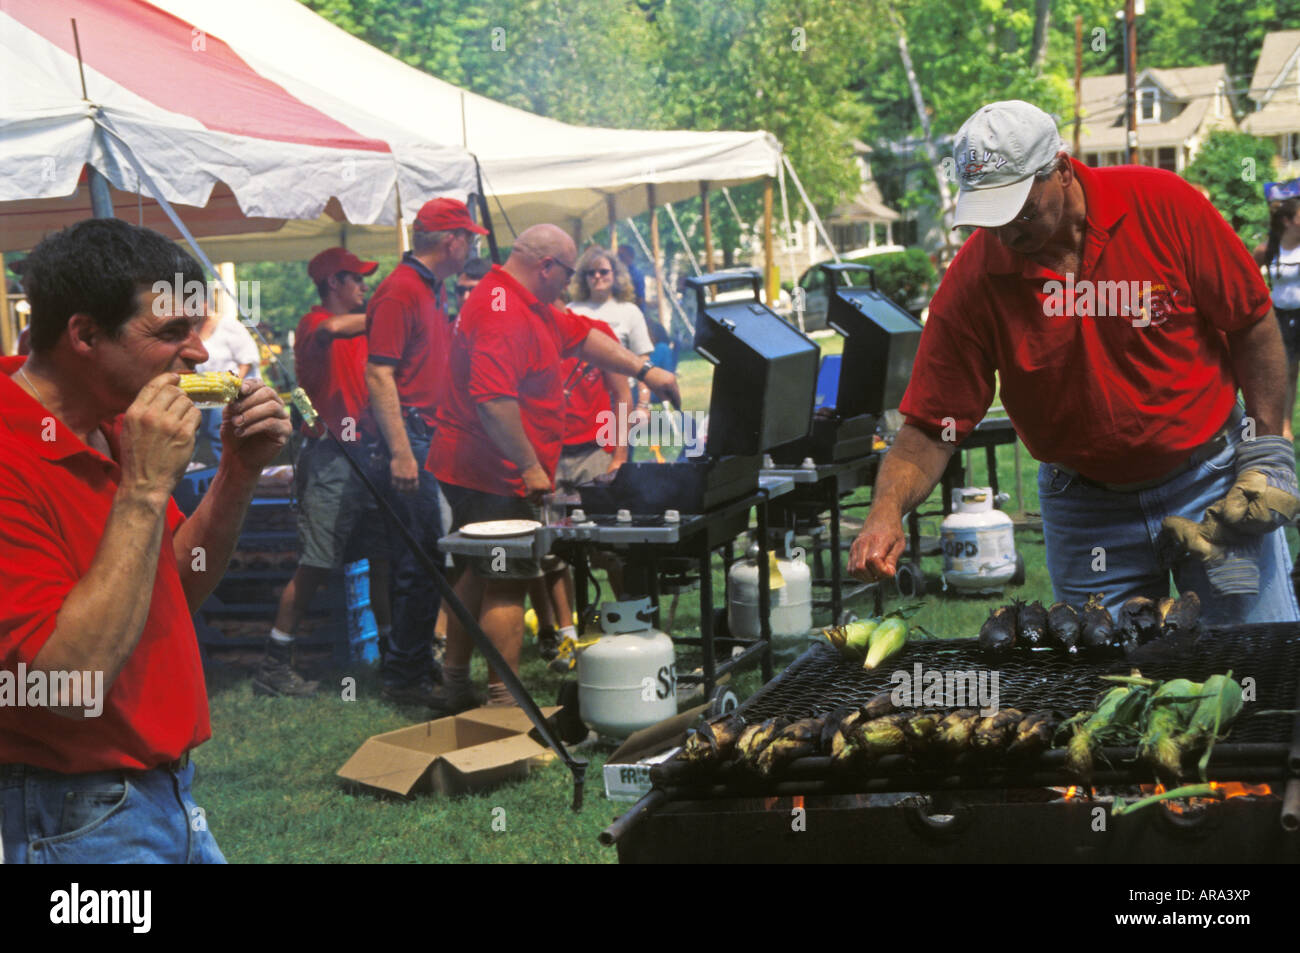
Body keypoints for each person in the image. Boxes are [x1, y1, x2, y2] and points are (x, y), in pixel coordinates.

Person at [848, 100, 1300, 626]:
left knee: (1252, 664)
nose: (1005, 234)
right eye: (988, 217)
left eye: (1019, 211)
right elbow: (931, 425)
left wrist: (1268, 450)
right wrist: (885, 510)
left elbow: (1249, 320)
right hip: (1087, 510)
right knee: (1112, 685)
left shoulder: (1164, 204)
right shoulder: (973, 283)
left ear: (1060, 171)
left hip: (1209, 480)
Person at [0, 218, 292, 863]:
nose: (197, 354)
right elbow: (66, 686)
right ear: (84, 333)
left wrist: (237, 475)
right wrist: (143, 489)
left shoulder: (112, 422)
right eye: (169, 333)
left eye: (196, 330)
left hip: (163, 792)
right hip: (69, 812)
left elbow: (178, 585)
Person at [430, 224, 680, 713]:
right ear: (547, 266)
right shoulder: (502, 309)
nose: (571, 284)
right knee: (506, 574)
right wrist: (529, 466)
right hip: (489, 467)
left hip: (482, 464)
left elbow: (584, 338)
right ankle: (503, 700)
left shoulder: (528, 302)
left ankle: (454, 684)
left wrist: (646, 371)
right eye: (568, 273)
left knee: (477, 574)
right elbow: (493, 401)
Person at [366, 197, 486, 706]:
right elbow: (379, 373)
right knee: (422, 561)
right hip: (413, 437)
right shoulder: (401, 291)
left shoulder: (426, 289)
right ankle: (404, 677)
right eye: (470, 238)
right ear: (451, 241)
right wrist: (401, 452)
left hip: (430, 435)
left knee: (429, 559)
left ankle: (411, 665)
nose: (474, 246)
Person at [262, 247, 390, 696]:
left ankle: (395, 656)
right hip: (332, 456)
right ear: (333, 282)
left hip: (367, 452)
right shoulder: (316, 323)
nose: (365, 286)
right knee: (317, 563)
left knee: (383, 556)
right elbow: (333, 329)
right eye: (357, 279)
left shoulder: (357, 327)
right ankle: (276, 664)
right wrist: (392, 314)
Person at [533, 319, 631, 667]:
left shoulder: (596, 331)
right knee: (553, 551)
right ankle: (567, 635)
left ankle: (628, 627)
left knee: (611, 546)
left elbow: (622, 394)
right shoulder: (528, 331)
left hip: (595, 451)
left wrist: (619, 455)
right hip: (550, 454)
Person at [568, 245, 656, 446]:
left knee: (621, 462)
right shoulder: (570, 310)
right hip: (583, 401)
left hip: (622, 399)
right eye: (591, 272)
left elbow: (643, 360)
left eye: (603, 271)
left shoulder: (630, 312)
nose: (597, 276)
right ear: (583, 278)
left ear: (615, 275)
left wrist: (643, 404)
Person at [1254, 198, 1300, 441]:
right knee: (1287, 372)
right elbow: (1248, 278)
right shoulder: (1268, 249)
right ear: (1288, 221)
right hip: (1282, 314)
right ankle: (1284, 426)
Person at [195, 300, 260, 462]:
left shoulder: (228, 325)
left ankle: (232, 471)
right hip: (204, 392)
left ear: (206, 302)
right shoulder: (193, 328)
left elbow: (247, 359)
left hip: (229, 390)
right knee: (200, 431)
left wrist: (231, 389)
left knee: (220, 430)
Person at [617, 243, 648, 312]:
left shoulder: (636, 274)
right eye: (618, 255)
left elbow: (640, 299)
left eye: (621, 256)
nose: (618, 258)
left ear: (631, 256)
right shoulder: (616, 273)